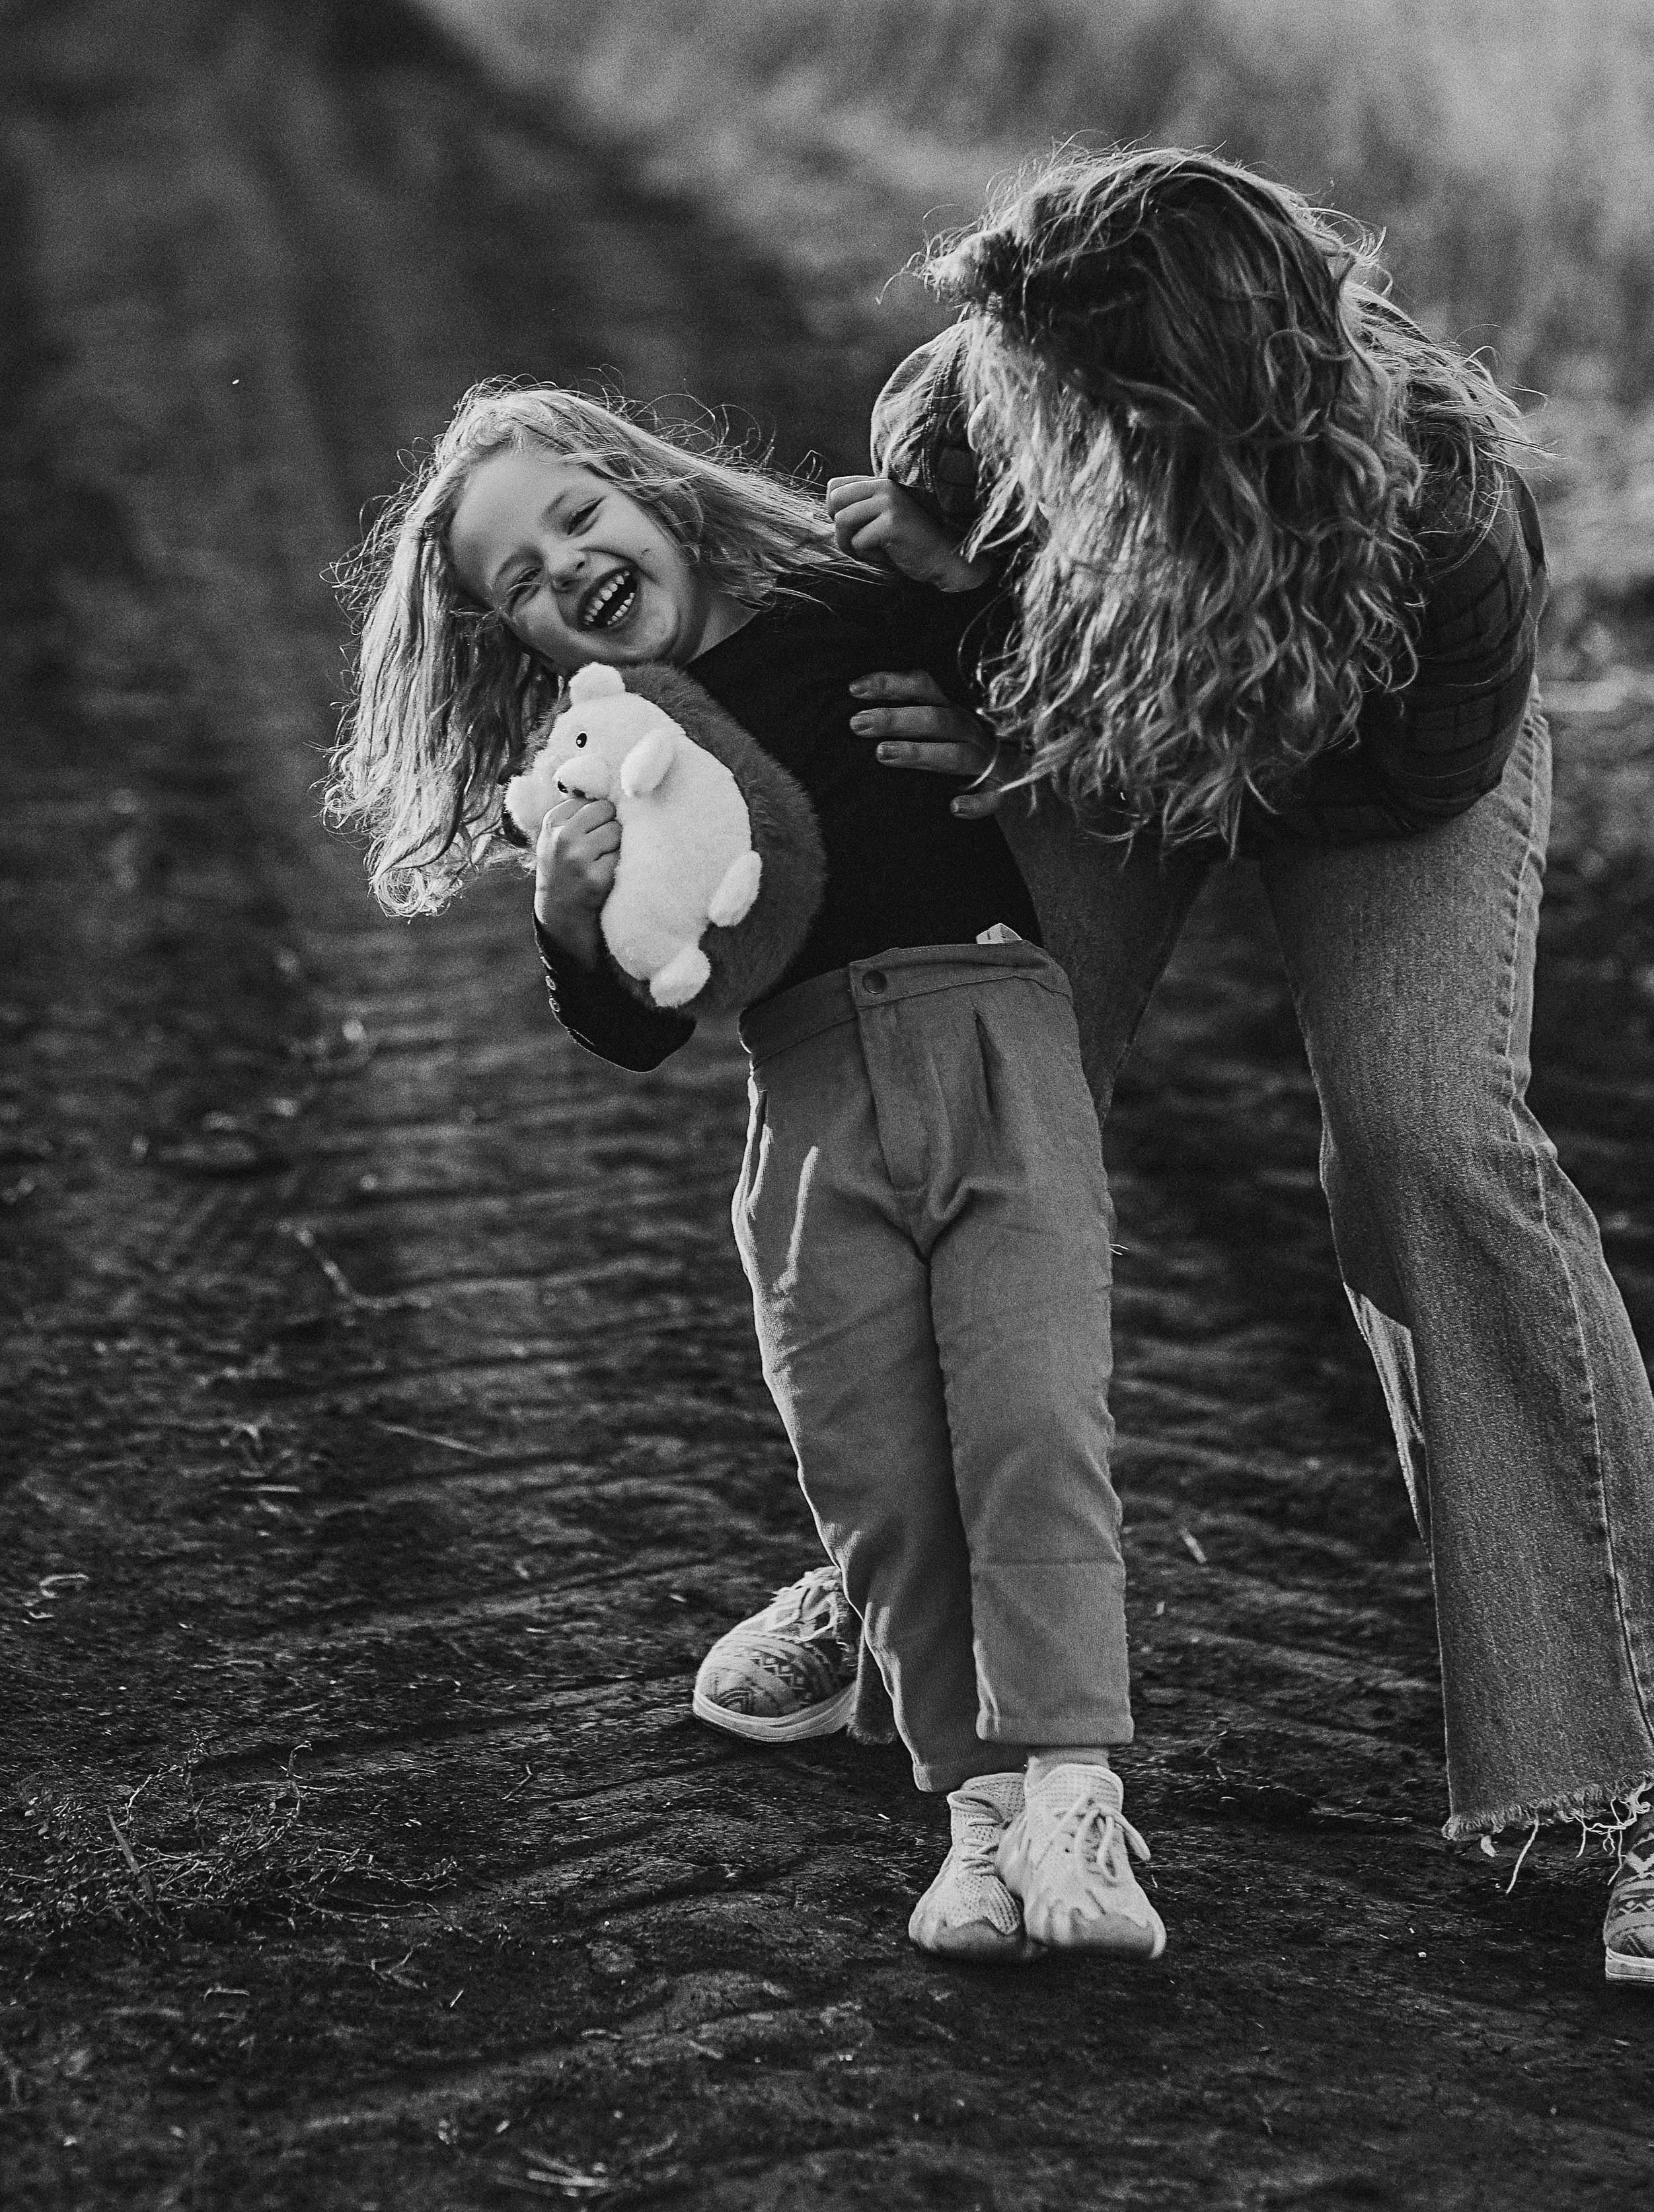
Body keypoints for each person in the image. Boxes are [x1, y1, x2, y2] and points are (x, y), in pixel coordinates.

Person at [695, 147, 1654, 1991]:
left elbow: (1410, 785)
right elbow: (907, 607)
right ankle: (911, 1589)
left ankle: (1647, 1761)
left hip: (1367, 765)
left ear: (1177, 418)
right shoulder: (970, 407)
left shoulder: (1444, 525)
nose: (994, 408)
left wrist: (1117, 747)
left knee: (1426, 1141)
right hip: (1099, 716)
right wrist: (965, 690)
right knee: (973, 1076)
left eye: (1051, 402)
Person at [328, 380, 1169, 1964]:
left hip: (989, 1035)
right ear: (515, 638)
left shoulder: (856, 603)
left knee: (1028, 1421)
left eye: (574, 517)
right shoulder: (603, 764)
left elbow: (1072, 665)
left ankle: (1074, 1787)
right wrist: (567, 924)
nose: (564, 565)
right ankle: (975, 1818)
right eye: (518, 579)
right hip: (803, 1106)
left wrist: (1002, 734)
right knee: (879, 1477)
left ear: (643, 491)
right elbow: (634, 1029)